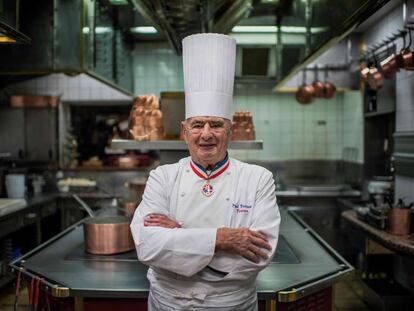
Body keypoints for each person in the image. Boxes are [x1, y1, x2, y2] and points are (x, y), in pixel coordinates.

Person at [130, 33, 281, 311]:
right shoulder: (162, 176)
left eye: (216, 124)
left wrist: (179, 237)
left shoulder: (258, 179)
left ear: (231, 132)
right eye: (198, 125)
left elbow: (260, 254)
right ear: (185, 132)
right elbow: (147, 245)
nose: (206, 134)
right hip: (169, 302)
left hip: (231, 304)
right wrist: (223, 239)